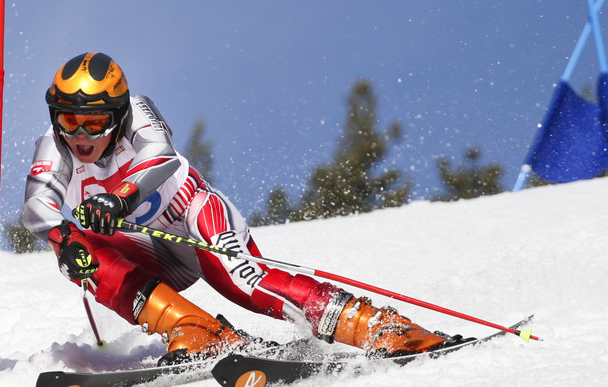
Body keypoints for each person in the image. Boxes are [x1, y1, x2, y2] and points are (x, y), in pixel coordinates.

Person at [23, 52, 467, 365]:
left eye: (95, 121)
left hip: (191, 218)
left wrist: (119, 198)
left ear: (117, 114)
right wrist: (64, 240)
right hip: (147, 248)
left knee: (242, 284)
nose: (80, 134)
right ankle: (197, 330)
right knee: (76, 252)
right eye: (67, 119)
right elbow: (37, 206)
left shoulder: (139, 112)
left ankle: (377, 326)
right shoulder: (54, 145)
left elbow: (162, 159)